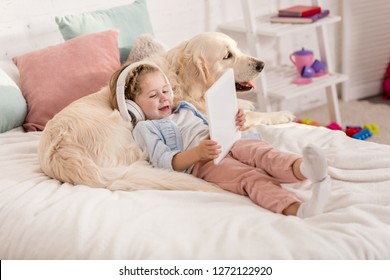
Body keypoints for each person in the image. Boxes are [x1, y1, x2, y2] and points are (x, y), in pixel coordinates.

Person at [114, 61, 331, 218]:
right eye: (153, 95)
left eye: (165, 90)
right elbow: (164, 161)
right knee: (249, 177)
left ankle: (305, 169)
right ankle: (298, 209)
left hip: (228, 140)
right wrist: (197, 153)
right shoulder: (145, 128)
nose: (163, 98)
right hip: (205, 162)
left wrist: (233, 120)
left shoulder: (184, 107)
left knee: (262, 153)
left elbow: (210, 124)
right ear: (132, 106)